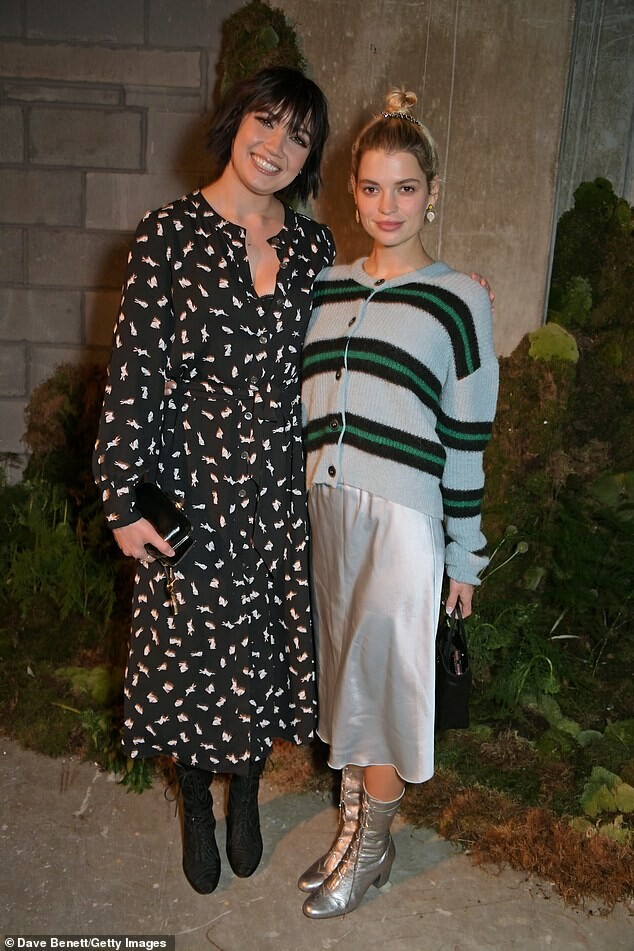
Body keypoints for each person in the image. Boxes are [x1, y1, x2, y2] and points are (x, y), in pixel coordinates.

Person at [92, 67, 335, 895]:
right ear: (236, 121)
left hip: (277, 492)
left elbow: (363, 319)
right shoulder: (167, 233)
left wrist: (452, 289)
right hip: (189, 487)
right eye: (266, 121)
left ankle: (247, 791)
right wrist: (121, 499)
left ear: (310, 157)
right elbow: (133, 374)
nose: (276, 146)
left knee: (260, 653)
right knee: (189, 653)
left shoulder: (314, 248)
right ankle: (196, 798)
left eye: (298, 136)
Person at [298, 87, 499, 918]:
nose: (389, 205)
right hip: (328, 516)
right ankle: (352, 828)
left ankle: (375, 847)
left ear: (433, 192)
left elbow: (468, 436)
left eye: (407, 187)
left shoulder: (460, 299)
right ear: (352, 191)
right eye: (373, 187)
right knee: (347, 682)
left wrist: (465, 555)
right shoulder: (323, 287)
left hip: (402, 526)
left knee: (381, 692)